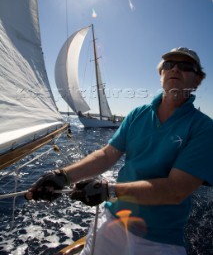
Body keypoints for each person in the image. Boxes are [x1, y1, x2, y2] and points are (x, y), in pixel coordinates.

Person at [26, 47, 213, 255]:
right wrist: (63, 176)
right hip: (111, 220)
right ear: (161, 74)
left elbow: (176, 190)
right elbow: (107, 154)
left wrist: (109, 191)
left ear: (197, 80)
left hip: (159, 239)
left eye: (185, 67)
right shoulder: (137, 115)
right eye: (169, 65)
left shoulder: (204, 128)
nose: (175, 69)